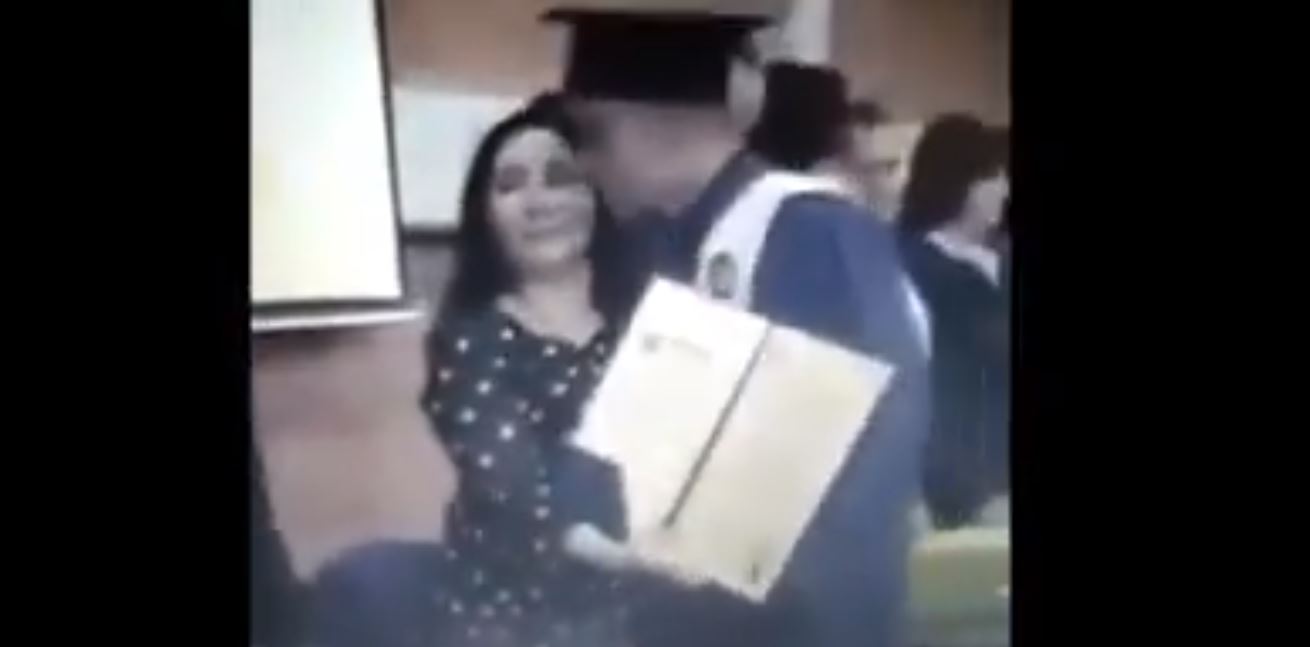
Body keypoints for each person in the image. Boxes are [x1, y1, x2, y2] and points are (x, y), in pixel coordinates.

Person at [541, 8, 931, 647]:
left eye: (590, 134)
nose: (584, 163)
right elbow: (608, 483)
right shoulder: (676, 244)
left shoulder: (806, 236)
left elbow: (810, 517)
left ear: (641, 121)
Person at [304, 93, 645, 647]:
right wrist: (634, 556)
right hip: (511, 626)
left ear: (598, 195)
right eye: (510, 185)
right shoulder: (471, 339)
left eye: (561, 177)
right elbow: (515, 498)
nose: (539, 201)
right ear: (485, 214)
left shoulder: (650, 327)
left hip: (642, 610)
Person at [897, 114, 1011, 530]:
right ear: (958, 181)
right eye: (992, 177)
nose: (1004, 189)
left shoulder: (1001, 261)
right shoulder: (915, 271)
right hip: (968, 491)